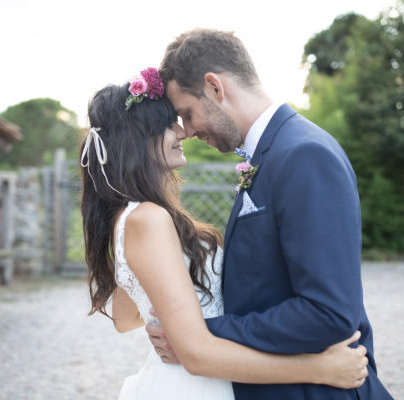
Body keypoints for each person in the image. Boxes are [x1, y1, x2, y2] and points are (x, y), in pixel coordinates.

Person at [80, 69, 369, 400]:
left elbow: (126, 316)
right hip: (193, 385)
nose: (182, 130)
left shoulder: (131, 217)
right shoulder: (150, 219)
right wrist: (320, 369)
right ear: (138, 140)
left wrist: (174, 324)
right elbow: (197, 355)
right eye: (169, 123)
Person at [145, 29, 394, 399]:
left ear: (215, 88)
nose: (189, 131)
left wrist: (200, 334)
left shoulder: (304, 156)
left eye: (187, 113)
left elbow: (328, 313)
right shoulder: (270, 153)